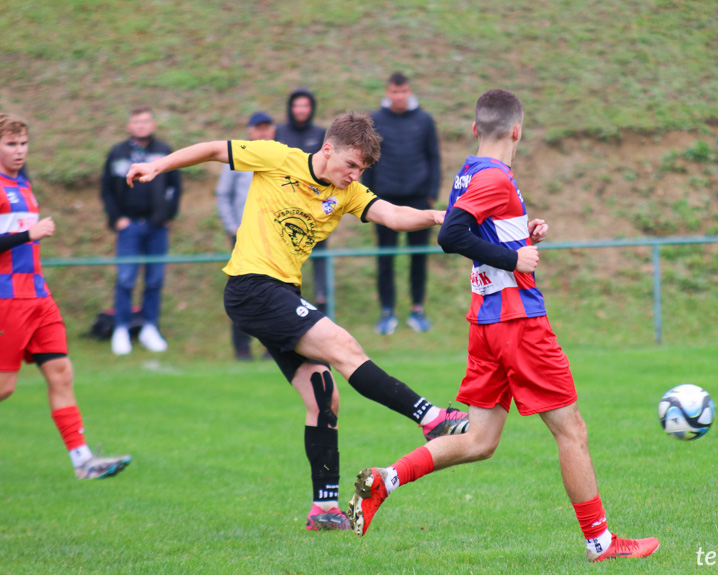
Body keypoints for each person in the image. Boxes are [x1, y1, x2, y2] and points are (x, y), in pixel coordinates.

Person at [347, 90, 659, 563]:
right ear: (517, 131)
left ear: (476, 129)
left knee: (479, 440)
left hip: (486, 323)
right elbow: (452, 235)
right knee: (571, 431)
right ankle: (601, 543)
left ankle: (385, 480)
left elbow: (475, 229)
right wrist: (515, 257)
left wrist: (522, 233)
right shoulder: (495, 176)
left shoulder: (470, 172)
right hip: (518, 321)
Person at [125, 111, 469, 531]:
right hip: (252, 286)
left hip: (282, 295)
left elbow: (394, 216)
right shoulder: (276, 158)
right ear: (328, 149)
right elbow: (215, 149)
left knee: (323, 394)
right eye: (351, 165)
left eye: (361, 169)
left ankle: (323, 509)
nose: (354, 175)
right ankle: (431, 418)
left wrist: (436, 216)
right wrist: (158, 165)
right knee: (345, 348)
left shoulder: (347, 193)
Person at [0, 112, 132, 479]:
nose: (19, 150)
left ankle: (83, 462)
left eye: (23, 143)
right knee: (4, 388)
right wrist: (30, 235)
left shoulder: (23, 183)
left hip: (39, 296)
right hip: (6, 298)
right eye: (10, 144)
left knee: (61, 373)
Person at [363, 72, 441, 334]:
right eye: (395, 92)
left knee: (418, 258)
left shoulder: (424, 120)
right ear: (388, 92)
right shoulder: (376, 121)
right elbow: (368, 160)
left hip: (418, 199)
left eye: (404, 91)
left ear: (409, 92)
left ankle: (418, 309)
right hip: (385, 201)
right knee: (385, 259)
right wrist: (370, 198)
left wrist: (431, 193)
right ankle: (387, 312)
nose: (399, 96)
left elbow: (434, 158)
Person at [101, 106, 182, 355]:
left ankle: (149, 327)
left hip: (157, 227)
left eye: (146, 121)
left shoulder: (163, 151)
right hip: (129, 226)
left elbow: (176, 186)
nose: (142, 125)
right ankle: (122, 329)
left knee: (155, 280)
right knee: (125, 279)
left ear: (153, 124)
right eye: (137, 121)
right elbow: (107, 189)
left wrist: (168, 215)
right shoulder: (118, 153)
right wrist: (117, 219)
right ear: (129, 126)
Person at [216, 111, 276, 360]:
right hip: (242, 236)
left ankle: (272, 348)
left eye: (266, 127)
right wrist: (232, 226)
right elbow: (223, 195)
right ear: (250, 131)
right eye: (258, 128)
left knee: (275, 291)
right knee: (242, 292)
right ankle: (242, 348)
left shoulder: (282, 158)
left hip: (273, 237)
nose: (262, 132)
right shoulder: (238, 156)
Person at [276, 88, 330, 315]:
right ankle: (285, 300)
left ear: (311, 108)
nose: (301, 110)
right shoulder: (279, 132)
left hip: (314, 209)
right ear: (290, 108)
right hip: (285, 209)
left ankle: (322, 299)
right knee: (284, 260)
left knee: (319, 256)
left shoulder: (320, 134)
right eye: (297, 105)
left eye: (305, 105)